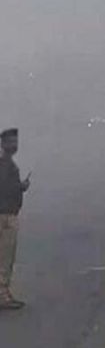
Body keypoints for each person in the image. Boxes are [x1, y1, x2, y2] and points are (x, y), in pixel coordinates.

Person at [0, 128, 30, 310]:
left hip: (6, 214)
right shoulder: (5, 165)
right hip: (5, 217)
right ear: (3, 144)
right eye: (11, 142)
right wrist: (21, 187)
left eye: (15, 142)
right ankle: (2, 294)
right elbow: (5, 189)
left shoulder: (8, 164)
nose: (14, 145)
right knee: (5, 257)